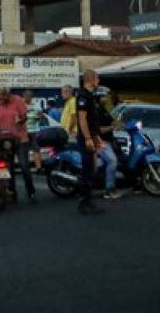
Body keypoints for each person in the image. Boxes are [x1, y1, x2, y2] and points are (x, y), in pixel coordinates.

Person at [0, 87, 36, 203]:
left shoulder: (18, 100)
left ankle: (31, 192)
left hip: (19, 138)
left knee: (24, 165)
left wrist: (20, 120)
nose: (1, 99)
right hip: (4, 141)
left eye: (3, 97)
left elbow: (25, 117)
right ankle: (10, 192)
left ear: (8, 95)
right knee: (6, 167)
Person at [74, 69, 104, 215]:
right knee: (87, 170)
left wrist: (97, 137)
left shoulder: (91, 96)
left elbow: (93, 120)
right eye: (97, 79)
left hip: (92, 137)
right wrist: (87, 138)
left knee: (92, 169)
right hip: (86, 138)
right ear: (91, 79)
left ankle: (88, 200)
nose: (98, 81)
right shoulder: (83, 95)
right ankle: (84, 203)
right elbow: (82, 118)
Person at [93, 89, 120, 200]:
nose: (108, 99)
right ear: (100, 98)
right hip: (99, 141)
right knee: (112, 161)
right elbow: (98, 130)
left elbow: (115, 121)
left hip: (108, 141)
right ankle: (109, 190)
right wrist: (111, 128)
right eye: (106, 97)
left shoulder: (106, 110)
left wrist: (126, 124)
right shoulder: (96, 112)